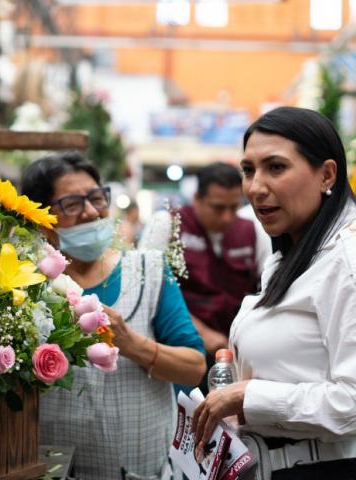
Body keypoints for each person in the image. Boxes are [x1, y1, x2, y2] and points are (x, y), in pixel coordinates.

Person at [192, 106, 356, 479]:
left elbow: (353, 402)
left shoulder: (347, 261)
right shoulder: (291, 256)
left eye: (276, 168)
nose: (255, 187)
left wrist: (247, 396)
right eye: (248, 170)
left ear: (326, 174)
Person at [21, 151, 206, 480]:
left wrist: (132, 343)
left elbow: (193, 368)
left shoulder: (148, 271)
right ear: (40, 218)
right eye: (72, 204)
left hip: (138, 468)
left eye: (96, 198)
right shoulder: (24, 283)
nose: (91, 212)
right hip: (51, 467)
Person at [176, 162, 265, 394]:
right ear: (197, 198)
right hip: (186, 348)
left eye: (233, 207)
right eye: (217, 208)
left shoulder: (251, 230)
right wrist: (202, 333)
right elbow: (157, 295)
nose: (227, 217)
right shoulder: (172, 227)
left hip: (235, 352)